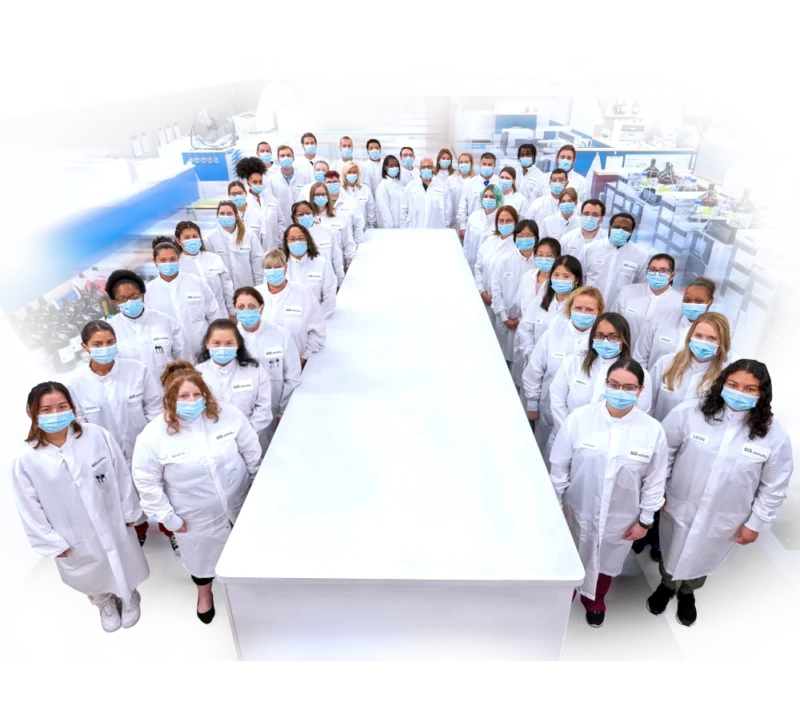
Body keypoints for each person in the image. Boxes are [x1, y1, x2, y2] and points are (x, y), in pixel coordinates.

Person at [647, 359, 793, 627]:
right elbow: (663, 453)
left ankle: (688, 593)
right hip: (680, 503)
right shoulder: (690, 413)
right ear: (721, 383)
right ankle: (666, 586)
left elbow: (773, 487)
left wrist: (755, 523)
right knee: (671, 548)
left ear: (762, 394)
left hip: (726, 515)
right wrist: (659, 490)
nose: (740, 393)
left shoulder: (775, 436)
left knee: (705, 555)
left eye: (750, 389)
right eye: (733, 385)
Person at [11, 381, 149, 634]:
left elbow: (120, 474)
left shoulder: (96, 435)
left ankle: (129, 596)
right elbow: (29, 507)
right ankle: (103, 602)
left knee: (122, 555)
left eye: (62, 406)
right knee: (88, 571)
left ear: (72, 407)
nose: (56, 414)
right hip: (70, 530)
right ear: (30, 413)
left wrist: (129, 509)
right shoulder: (26, 459)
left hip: (111, 518)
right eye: (46, 410)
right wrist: (50, 541)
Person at [132, 365, 261, 625]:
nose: (192, 401)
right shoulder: (153, 437)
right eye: (183, 396)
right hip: (193, 515)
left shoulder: (227, 415)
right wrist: (168, 519)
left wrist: (257, 488)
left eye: (196, 394)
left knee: (245, 550)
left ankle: (246, 589)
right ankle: (205, 595)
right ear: (169, 399)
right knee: (202, 558)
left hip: (239, 501)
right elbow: (147, 483)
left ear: (206, 393)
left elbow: (250, 449)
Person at [549, 359, 668, 628]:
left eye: (628, 387)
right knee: (571, 557)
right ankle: (562, 598)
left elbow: (655, 480)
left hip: (621, 516)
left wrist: (645, 521)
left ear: (640, 390)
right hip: (577, 509)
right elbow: (559, 466)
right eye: (614, 384)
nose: (620, 391)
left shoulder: (652, 430)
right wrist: (554, 504)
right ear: (605, 384)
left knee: (608, 560)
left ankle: (596, 601)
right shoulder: (580, 419)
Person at [66, 320, 163, 548]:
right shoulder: (76, 384)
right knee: (121, 497)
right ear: (85, 347)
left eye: (110, 342)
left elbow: (155, 409)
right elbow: (79, 423)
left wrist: (153, 442)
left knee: (159, 490)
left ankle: (171, 534)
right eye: (97, 344)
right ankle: (138, 532)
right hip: (104, 455)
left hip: (145, 447)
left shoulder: (137, 370)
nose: (105, 348)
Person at [549, 312, 654, 457]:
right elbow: (557, 400)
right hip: (566, 436)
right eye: (599, 335)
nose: (605, 341)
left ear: (624, 339)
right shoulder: (573, 363)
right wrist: (569, 433)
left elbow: (637, 415)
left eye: (613, 336)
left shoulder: (640, 375)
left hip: (607, 448)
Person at [522, 286, 604, 456]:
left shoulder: (603, 340)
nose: (583, 313)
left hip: (586, 414)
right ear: (569, 308)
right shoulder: (553, 334)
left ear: (599, 312)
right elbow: (534, 370)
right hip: (548, 407)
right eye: (578, 308)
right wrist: (532, 403)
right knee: (542, 453)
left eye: (589, 310)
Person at [233, 287, 302, 439]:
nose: (246, 311)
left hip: (275, 407)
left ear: (262, 308)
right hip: (242, 414)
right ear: (235, 310)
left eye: (251, 307)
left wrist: (283, 411)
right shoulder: (230, 340)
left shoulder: (281, 335)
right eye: (241, 307)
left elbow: (293, 377)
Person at [195, 320, 274, 450]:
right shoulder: (197, 374)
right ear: (207, 344)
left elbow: (263, 409)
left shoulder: (255, 370)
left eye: (229, 343)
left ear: (238, 344)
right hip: (214, 443)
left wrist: (246, 436)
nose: (222, 348)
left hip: (254, 438)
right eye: (216, 343)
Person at [145, 238, 222, 357]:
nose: (168, 263)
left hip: (203, 348)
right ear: (154, 261)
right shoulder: (148, 291)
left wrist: (217, 341)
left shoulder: (196, 282)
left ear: (178, 258)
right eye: (163, 260)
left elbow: (214, 313)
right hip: (170, 354)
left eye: (172, 259)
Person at [649, 312, 732, 423]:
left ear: (723, 342)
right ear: (690, 336)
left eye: (711, 338)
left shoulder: (726, 376)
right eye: (698, 336)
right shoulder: (666, 362)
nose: (703, 342)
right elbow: (649, 402)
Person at [107, 269, 188, 378]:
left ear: (143, 296)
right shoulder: (109, 328)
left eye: (134, 296)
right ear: (116, 303)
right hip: (135, 391)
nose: (130, 301)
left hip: (170, 387)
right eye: (123, 299)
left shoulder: (165, 321)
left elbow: (183, 358)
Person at [515, 251, 580, 384]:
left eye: (566, 276)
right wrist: (532, 355)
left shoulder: (579, 308)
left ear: (576, 280)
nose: (560, 280)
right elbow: (525, 329)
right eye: (556, 275)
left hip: (561, 369)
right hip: (533, 363)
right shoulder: (540, 302)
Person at [253, 249, 327, 366]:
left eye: (277, 266)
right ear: (263, 270)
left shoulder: (303, 293)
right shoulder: (255, 294)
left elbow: (318, 331)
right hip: (262, 365)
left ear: (285, 267)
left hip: (297, 362)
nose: (273, 271)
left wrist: (303, 358)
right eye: (269, 267)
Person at [634, 277, 717, 370]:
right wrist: (644, 380)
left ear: (710, 302)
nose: (692, 304)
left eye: (699, 301)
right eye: (687, 300)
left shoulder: (717, 332)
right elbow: (640, 356)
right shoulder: (661, 320)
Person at [490, 221, 541, 367]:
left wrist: (522, 318)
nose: (524, 238)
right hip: (505, 319)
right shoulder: (505, 260)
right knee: (501, 358)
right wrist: (504, 316)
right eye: (520, 235)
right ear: (515, 238)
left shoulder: (541, 262)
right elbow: (496, 287)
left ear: (536, 238)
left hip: (529, 321)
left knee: (523, 359)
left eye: (528, 235)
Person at [611, 253, 683, 342]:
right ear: (647, 272)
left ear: (672, 275)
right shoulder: (627, 292)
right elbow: (611, 322)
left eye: (663, 270)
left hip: (656, 355)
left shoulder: (679, 302)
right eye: (653, 269)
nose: (657, 274)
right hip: (623, 351)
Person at [583, 212, 648, 307]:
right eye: (616, 227)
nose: (620, 231)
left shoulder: (641, 255)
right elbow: (582, 277)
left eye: (626, 229)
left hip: (618, 311)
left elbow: (639, 286)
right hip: (589, 307)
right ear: (609, 227)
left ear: (631, 232)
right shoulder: (590, 248)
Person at [175, 221, 235, 319]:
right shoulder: (177, 264)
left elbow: (227, 287)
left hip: (221, 316)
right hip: (195, 321)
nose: (192, 240)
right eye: (186, 237)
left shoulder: (214, 258)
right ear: (178, 241)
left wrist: (233, 312)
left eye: (195, 236)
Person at [202, 200, 264, 288]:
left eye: (229, 213)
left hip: (248, 286)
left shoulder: (249, 235)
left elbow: (257, 261)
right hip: (224, 289)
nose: (225, 216)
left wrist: (259, 286)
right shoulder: (210, 238)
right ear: (217, 216)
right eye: (222, 213)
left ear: (236, 216)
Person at [474, 206, 519, 323]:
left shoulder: (517, 246)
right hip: (483, 299)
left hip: (504, 306)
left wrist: (496, 299)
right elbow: (478, 266)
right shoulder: (490, 240)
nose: (504, 224)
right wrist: (482, 291)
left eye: (509, 221)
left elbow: (514, 282)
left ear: (516, 222)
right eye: (501, 220)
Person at [282, 223, 337, 317]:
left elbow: (329, 297)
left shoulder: (322, 264)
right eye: (292, 239)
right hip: (287, 321)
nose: (297, 242)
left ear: (307, 240)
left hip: (317, 320)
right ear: (286, 243)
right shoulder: (279, 265)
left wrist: (314, 320)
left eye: (300, 238)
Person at [291, 200, 344, 286]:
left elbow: (336, 257)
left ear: (313, 213)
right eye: (301, 214)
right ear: (294, 217)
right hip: (303, 284)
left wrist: (340, 282)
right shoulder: (290, 236)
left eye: (308, 213)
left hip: (328, 281)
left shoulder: (327, 232)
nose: (305, 216)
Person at [311, 179, 357, 269]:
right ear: (312, 197)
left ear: (328, 196)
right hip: (313, 269)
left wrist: (350, 266)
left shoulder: (340, 216)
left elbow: (348, 243)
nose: (320, 197)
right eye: (317, 195)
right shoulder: (308, 218)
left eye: (323, 194)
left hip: (337, 266)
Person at [402, 157, 452, 229]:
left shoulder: (442, 186)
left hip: (436, 229)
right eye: (423, 167)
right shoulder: (410, 187)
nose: (426, 169)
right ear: (420, 169)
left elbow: (448, 210)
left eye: (429, 167)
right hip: (414, 229)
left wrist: (445, 227)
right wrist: (405, 228)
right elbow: (403, 210)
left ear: (433, 168)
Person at [463, 185, 502, 271]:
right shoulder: (474, 216)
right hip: (471, 263)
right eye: (486, 196)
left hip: (490, 267)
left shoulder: (501, 219)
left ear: (498, 199)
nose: (488, 199)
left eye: (492, 197)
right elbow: (466, 243)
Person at [457, 152, 499, 229]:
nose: (486, 166)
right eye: (484, 164)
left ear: (494, 165)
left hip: (493, 226)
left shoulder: (499, 183)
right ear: (480, 164)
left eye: (489, 165)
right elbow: (463, 206)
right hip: (473, 225)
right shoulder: (469, 183)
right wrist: (462, 227)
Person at [324, 170, 365, 247]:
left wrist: (358, 244)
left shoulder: (351, 201)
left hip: (348, 244)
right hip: (326, 246)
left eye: (335, 181)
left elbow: (359, 223)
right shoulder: (320, 203)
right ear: (324, 184)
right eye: (329, 182)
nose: (332, 184)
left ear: (340, 183)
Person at [268, 145, 306, 219]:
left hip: (301, 220)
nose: (286, 158)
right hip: (281, 221)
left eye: (288, 155)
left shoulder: (303, 177)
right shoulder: (271, 179)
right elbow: (271, 205)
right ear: (278, 159)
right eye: (282, 156)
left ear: (293, 158)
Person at [342, 160, 377, 229]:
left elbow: (371, 209)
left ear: (358, 174)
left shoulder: (365, 189)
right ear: (344, 174)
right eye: (349, 172)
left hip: (364, 228)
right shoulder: (341, 190)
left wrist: (372, 226)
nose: (352, 174)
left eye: (354, 172)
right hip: (346, 229)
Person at [450, 152, 475, 236]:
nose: (463, 164)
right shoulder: (452, 180)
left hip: (471, 222)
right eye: (461, 162)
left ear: (471, 164)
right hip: (453, 221)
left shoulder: (476, 182)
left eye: (466, 162)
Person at [375, 155, 404, 229]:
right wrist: (389, 228)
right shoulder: (382, 186)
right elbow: (384, 211)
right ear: (385, 167)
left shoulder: (399, 184)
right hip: (389, 228)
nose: (395, 168)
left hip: (401, 226)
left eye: (396, 166)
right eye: (392, 166)